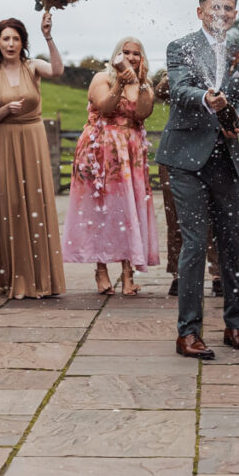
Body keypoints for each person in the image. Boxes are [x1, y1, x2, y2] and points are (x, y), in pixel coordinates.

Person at [157, 0, 239, 359]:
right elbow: (180, 90)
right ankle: (188, 333)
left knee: (232, 243)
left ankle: (235, 325)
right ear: (200, 12)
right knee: (195, 244)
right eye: (216, 7)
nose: (222, 14)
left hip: (225, 159)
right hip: (186, 159)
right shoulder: (180, 47)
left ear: (234, 14)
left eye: (229, 8)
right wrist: (206, 99)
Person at [0, 13, 66, 299]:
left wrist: (49, 36)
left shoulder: (33, 67)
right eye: (6, 38)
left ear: (23, 42)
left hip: (33, 137)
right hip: (4, 139)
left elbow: (57, 70)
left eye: (16, 38)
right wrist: (5, 111)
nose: (11, 43)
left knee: (36, 203)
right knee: (10, 203)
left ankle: (42, 278)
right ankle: (12, 277)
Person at [62, 36, 159, 296]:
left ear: (142, 58)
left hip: (131, 153)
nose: (130, 56)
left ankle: (128, 275)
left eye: (136, 53)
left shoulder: (144, 85)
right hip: (100, 151)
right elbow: (105, 107)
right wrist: (120, 82)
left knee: (129, 210)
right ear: (116, 54)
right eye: (125, 52)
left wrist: (136, 84)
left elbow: (143, 113)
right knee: (102, 210)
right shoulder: (101, 79)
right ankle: (101, 268)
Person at [155, 74, 221, 298]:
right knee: (176, 218)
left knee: (213, 217)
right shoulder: (180, 72)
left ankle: (217, 274)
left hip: (211, 150)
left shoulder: (217, 73)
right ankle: (178, 274)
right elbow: (161, 92)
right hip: (176, 152)